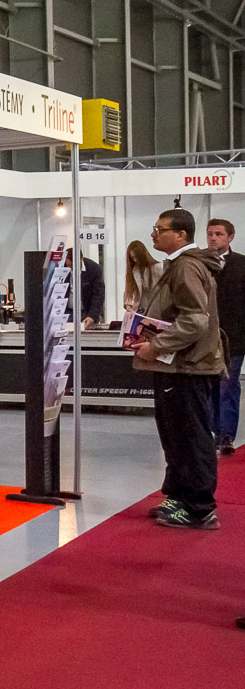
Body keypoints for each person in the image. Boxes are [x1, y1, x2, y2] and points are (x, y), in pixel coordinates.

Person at [135, 208, 224, 529]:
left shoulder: (186, 266)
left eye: (160, 229)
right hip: (177, 367)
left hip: (188, 366)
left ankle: (199, 508)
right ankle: (179, 496)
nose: (154, 234)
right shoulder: (178, 265)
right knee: (174, 435)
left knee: (190, 436)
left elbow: (195, 320)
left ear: (181, 234)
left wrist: (157, 345)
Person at [206, 219, 245, 455]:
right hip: (203, 337)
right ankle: (211, 431)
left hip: (234, 338)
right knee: (208, 385)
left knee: (228, 385)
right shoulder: (199, 262)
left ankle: (226, 435)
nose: (213, 238)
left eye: (219, 234)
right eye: (210, 233)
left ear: (230, 237)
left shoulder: (242, 265)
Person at [125, 240, 159, 311]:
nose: (135, 260)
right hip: (139, 308)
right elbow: (130, 289)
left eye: (137, 257)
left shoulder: (158, 268)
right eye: (133, 258)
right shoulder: (135, 270)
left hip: (154, 309)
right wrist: (128, 303)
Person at [79, 256, 105, 327]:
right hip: (67, 310)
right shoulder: (61, 267)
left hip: (87, 310)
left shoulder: (93, 268)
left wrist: (92, 316)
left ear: (81, 258)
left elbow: (99, 294)